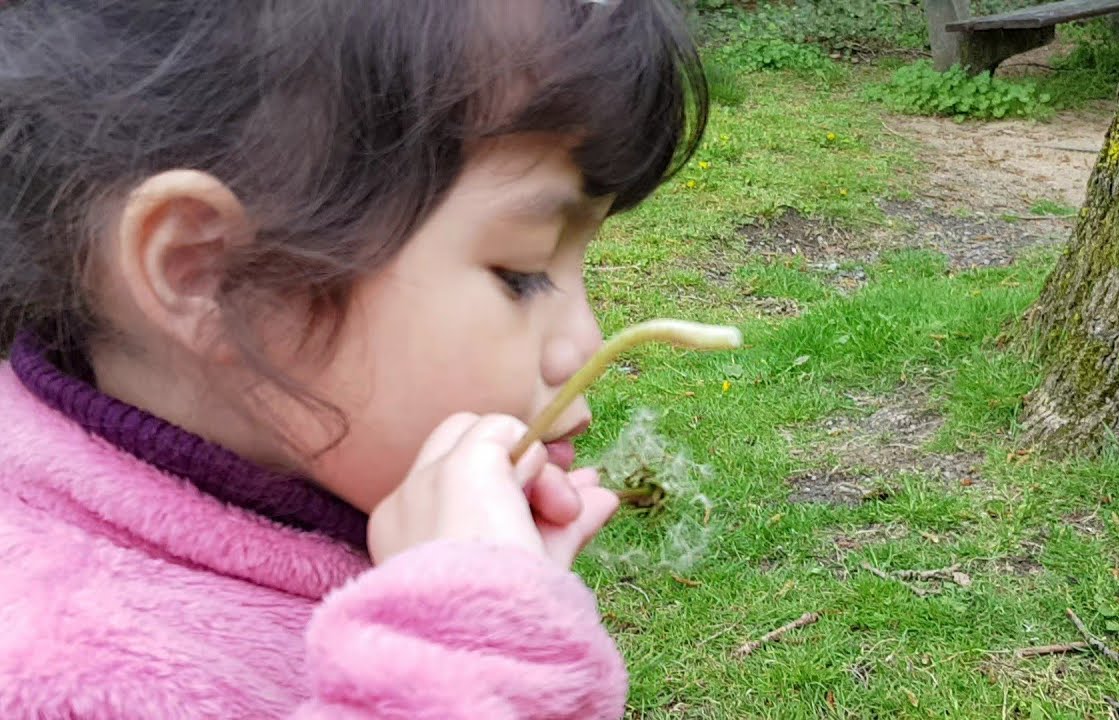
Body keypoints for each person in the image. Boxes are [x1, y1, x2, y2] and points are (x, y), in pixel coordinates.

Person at [0, 1, 708, 717]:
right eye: (520, 272)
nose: (583, 343)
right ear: (207, 274)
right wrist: (471, 661)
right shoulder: (57, 674)